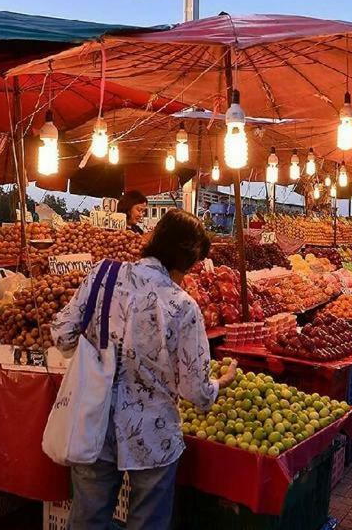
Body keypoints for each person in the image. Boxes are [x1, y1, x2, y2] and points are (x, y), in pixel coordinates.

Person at [51, 209, 238, 529]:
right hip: (153, 435)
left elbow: (61, 334)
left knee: (88, 521)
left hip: (94, 421)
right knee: (147, 523)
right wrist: (221, 382)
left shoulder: (102, 274)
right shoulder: (183, 306)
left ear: (154, 239)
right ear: (189, 260)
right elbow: (196, 392)